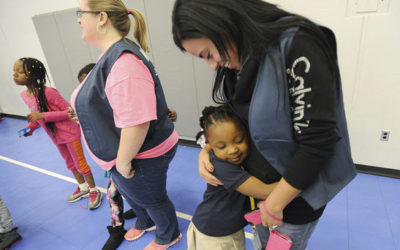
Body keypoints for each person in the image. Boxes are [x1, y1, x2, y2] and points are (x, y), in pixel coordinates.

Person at [172, 1, 357, 249]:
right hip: (258, 196)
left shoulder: (297, 46)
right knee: (261, 243)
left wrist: (275, 203)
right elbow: (231, 120)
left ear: (223, 25)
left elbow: (317, 142)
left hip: (293, 197)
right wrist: (207, 149)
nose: (213, 65)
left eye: (208, 54)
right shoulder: (239, 61)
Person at [71, 1, 182, 249]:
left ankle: (168, 234)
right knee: (134, 194)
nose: (79, 20)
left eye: (81, 14)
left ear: (101, 17)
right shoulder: (111, 55)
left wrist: (122, 161)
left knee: (152, 198)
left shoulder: (124, 62)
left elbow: (137, 121)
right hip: (125, 152)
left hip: (140, 153)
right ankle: (145, 221)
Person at [13, 57, 103, 210]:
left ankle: (94, 190)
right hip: (55, 136)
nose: (15, 74)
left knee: (80, 164)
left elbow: (70, 111)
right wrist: (31, 127)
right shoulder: (24, 95)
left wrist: (43, 116)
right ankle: (83, 187)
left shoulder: (48, 92)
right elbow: (36, 115)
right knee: (69, 164)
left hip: (69, 132)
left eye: (20, 71)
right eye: (14, 71)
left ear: (32, 75)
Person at [188, 105, 278, 250]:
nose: (233, 150)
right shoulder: (222, 167)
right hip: (215, 236)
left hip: (228, 229)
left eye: (238, 140)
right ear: (210, 145)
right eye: (222, 146)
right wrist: (300, 181)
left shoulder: (230, 156)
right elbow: (265, 191)